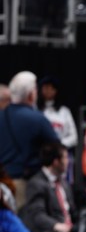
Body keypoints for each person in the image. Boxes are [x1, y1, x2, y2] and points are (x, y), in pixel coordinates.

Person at [0, 72, 60, 206]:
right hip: (26, 185)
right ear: (31, 95)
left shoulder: (1, 116)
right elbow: (57, 148)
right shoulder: (38, 119)